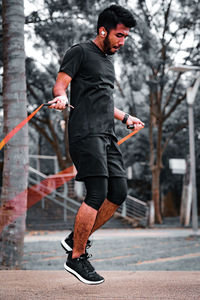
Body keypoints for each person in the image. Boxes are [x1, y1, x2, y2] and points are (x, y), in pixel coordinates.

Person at [48, 4, 144, 285]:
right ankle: (76, 257)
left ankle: (74, 238)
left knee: (119, 192)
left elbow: (104, 99)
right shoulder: (79, 52)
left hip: (108, 134)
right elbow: (60, 84)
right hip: (85, 133)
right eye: (119, 35)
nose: (122, 41)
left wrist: (125, 116)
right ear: (103, 30)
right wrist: (62, 98)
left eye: (125, 37)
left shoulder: (107, 61)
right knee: (98, 190)